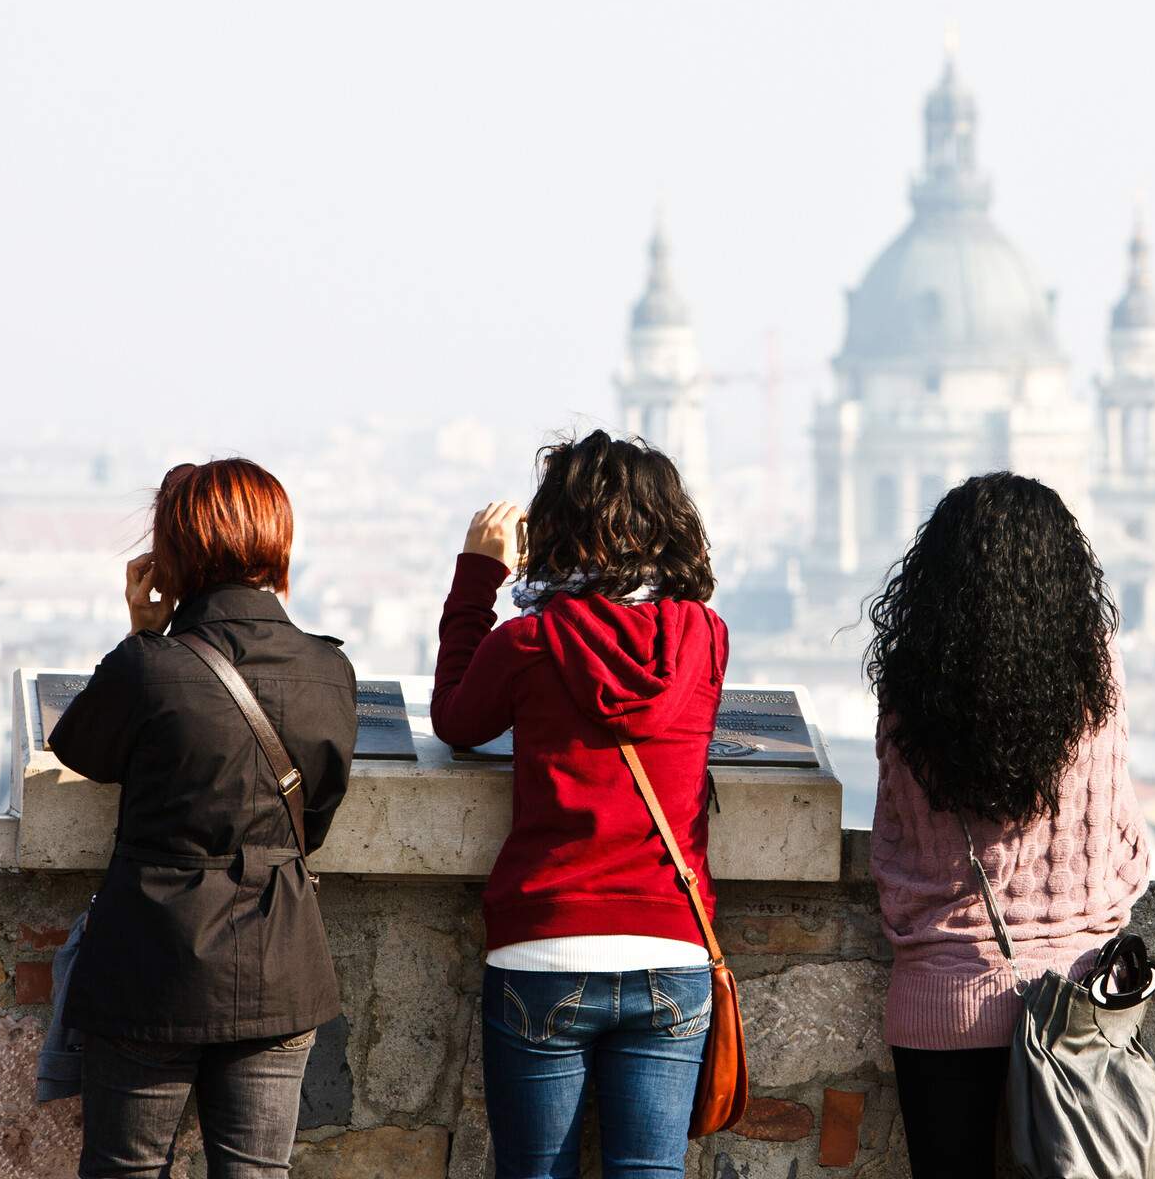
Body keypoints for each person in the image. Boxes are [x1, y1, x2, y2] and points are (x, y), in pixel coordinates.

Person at [431, 430, 729, 1179]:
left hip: (546, 941)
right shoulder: (705, 638)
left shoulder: (529, 642)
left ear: (551, 530)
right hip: (671, 944)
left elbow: (458, 723)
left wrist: (479, 576)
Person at [49, 459, 356, 1179]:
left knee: (126, 1168)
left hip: (149, 961)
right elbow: (318, 817)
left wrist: (142, 631)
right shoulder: (329, 671)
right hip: (280, 959)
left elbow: (79, 746)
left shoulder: (150, 669)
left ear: (175, 553)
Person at [865, 472, 1152, 1179]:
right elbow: (1125, 846)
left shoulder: (911, 686)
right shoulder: (1097, 680)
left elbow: (893, 844)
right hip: (1076, 1009)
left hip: (940, 998)